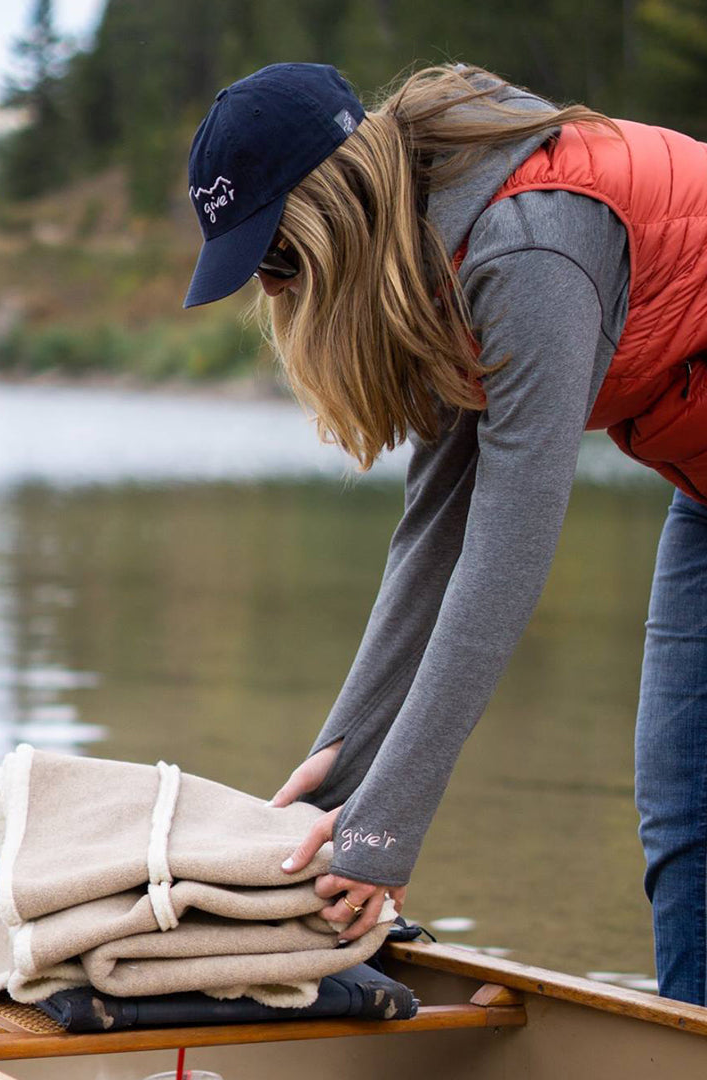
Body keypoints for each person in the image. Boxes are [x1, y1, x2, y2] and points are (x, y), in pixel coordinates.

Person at [182, 61, 707, 1006]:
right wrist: (345, 764)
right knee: (686, 811)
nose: (278, 291)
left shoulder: (528, 252)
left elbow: (505, 554)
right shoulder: (437, 254)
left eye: (280, 259)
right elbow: (435, 537)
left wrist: (385, 830)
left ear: (333, 212)